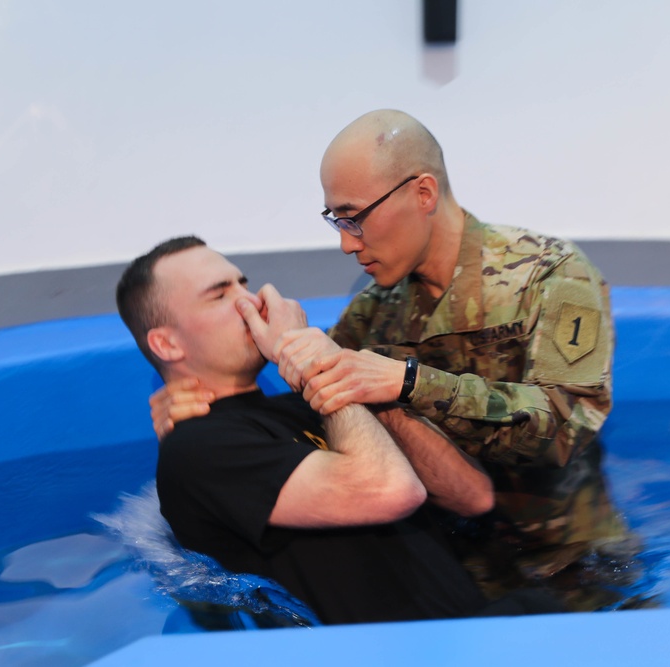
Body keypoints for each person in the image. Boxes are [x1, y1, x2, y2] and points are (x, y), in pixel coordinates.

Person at [152, 110, 641, 610]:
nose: (346, 243)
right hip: (460, 579)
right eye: (336, 221)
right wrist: (195, 407)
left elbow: (565, 426)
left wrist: (408, 382)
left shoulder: (549, 275)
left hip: (576, 576)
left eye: (355, 216)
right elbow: (323, 405)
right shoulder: (375, 312)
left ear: (422, 193)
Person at [116, 236, 560, 626]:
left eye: (244, 284)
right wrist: (314, 366)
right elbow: (389, 491)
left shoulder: (304, 404)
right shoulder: (199, 449)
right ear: (167, 344)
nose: (252, 302)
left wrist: (357, 382)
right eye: (219, 295)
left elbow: (472, 495)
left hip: (486, 625)